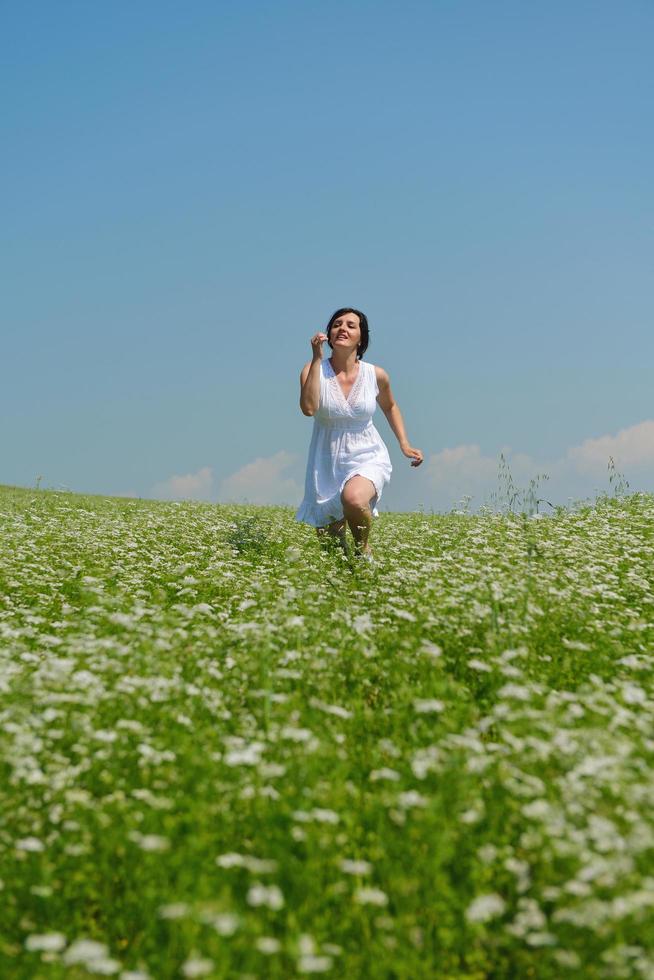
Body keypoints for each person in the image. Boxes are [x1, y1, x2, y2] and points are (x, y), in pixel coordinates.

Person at [295, 307, 423, 561]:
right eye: (337, 324)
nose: (342, 328)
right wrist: (317, 359)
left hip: (367, 453)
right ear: (329, 335)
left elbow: (390, 406)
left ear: (361, 338)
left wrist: (404, 444)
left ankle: (363, 550)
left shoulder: (375, 374)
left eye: (351, 325)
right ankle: (351, 579)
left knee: (353, 499)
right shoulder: (312, 369)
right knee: (331, 546)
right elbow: (308, 409)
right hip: (326, 460)